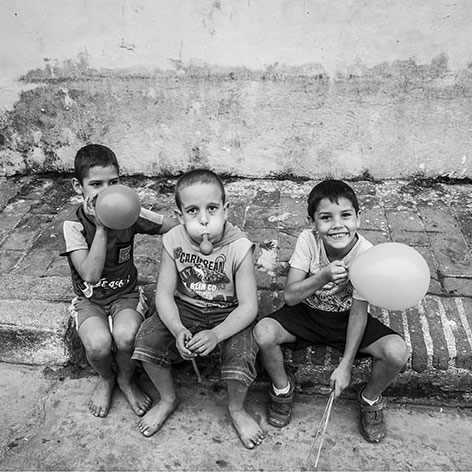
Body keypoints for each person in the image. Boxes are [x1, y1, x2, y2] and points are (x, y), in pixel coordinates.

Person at [253, 179, 409, 443]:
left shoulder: (366, 254)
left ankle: (370, 398)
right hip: (304, 315)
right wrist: (322, 276)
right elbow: (290, 296)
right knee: (263, 332)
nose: (337, 225)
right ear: (312, 222)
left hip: (345, 320)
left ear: (358, 217)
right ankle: (282, 388)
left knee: (397, 352)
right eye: (326, 217)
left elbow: (358, 312)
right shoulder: (308, 240)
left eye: (345, 215)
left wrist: (345, 365)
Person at [132, 169, 264, 449]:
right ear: (180, 216)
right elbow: (164, 294)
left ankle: (237, 408)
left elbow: (249, 306)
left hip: (229, 312)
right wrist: (177, 328)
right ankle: (168, 398)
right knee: (146, 340)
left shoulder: (239, 247)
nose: (204, 219)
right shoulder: (173, 240)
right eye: (193, 210)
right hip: (186, 307)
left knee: (241, 355)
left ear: (225, 210)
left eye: (212, 208)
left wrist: (217, 334)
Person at [59, 144, 178, 418]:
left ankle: (125, 379)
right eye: (96, 184)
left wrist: (205, 227)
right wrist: (101, 227)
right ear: (78, 186)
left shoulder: (129, 211)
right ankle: (106, 378)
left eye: (113, 182)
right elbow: (90, 275)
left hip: (126, 294)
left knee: (127, 337)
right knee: (98, 344)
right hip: (90, 300)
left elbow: (170, 225)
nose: (106, 191)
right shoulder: (73, 225)